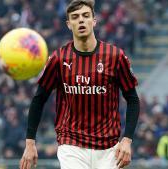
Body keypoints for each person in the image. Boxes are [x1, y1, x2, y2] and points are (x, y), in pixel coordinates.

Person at [19, 0, 140, 169]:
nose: (81, 20)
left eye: (85, 16)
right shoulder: (59, 59)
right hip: (72, 145)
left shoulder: (115, 57)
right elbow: (39, 99)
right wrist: (30, 143)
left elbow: (133, 99)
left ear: (94, 21)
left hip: (109, 148)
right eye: (75, 17)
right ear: (69, 24)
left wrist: (127, 140)